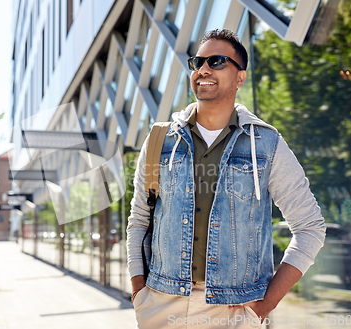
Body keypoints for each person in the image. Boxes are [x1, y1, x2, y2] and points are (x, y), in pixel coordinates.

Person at [126, 29, 326, 329]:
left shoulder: (267, 145)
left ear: (240, 78)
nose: (204, 69)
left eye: (217, 61)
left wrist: (266, 304)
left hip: (232, 312)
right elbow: (140, 219)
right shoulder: (159, 139)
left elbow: (310, 227)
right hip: (159, 304)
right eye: (198, 62)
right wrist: (139, 291)